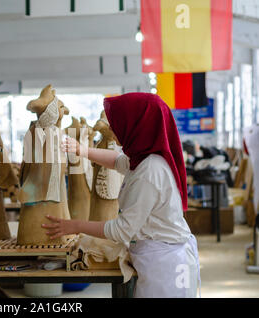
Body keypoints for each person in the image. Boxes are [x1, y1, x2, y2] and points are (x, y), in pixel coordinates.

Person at [42, 92, 200, 298]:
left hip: (166, 266)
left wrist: (75, 225)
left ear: (136, 125)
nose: (111, 128)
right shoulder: (143, 158)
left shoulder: (150, 172)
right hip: (156, 255)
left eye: (117, 122)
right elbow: (117, 161)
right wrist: (83, 151)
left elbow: (121, 230)